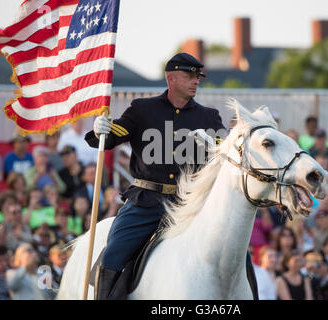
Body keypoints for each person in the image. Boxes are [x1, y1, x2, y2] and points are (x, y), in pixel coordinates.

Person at [86, 53, 227, 299]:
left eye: (198, 77)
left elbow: (226, 156)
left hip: (190, 204)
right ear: (170, 78)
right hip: (145, 202)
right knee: (113, 255)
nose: (196, 81)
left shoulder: (209, 117)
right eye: (190, 76)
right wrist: (99, 131)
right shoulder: (142, 110)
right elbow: (110, 139)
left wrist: (218, 146)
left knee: (233, 251)